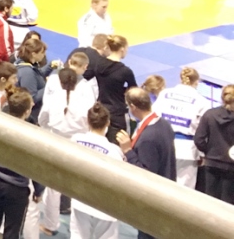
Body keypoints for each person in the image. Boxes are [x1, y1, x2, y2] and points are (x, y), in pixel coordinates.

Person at [38, 67, 95, 235]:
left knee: (53, 188)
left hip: (56, 142)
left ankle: (50, 224)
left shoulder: (53, 98)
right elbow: (90, 123)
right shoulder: (84, 100)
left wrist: (53, 128)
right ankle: (79, 231)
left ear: (60, 82)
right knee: (77, 187)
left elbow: (42, 120)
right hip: (78, 144)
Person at [0, 87, 43, 239]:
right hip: (16, 187)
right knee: (12, 229)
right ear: (27, 112)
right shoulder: (32, 135)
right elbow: (36, 165)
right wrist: (38, 189)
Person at [118, 88, 177, 239]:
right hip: (165, 192)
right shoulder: (163, 124)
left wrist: (128, 151)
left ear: (133, 107)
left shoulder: (148, 138)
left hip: (152, 201)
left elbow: (145, 174)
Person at [70, 104, 124, 239]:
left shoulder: (75, 140)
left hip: (80, 199)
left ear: (87, 121)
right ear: (108, 123)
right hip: (105, 205)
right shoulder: (114, 151)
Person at [153, 67, 209, 189]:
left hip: (163, 144)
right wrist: (201, 153)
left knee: (160, 185)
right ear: (197, 82)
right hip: (187, 150)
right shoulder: (202, 101)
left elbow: (153, 116)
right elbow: (202, 130)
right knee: (183, 190)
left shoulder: (164, 94)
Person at [91, 36, 138, 142]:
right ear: (122, 49)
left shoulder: (98, 65)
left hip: (101, 108)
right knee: (120, 142)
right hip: (118, 112)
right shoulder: (125, 71)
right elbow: (133, 91)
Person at [194, 84, 234, 205]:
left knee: (209, 201)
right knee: (228, 203)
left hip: (211, 163)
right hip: (232, 166)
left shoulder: (210, 114)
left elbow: (199, 139)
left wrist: (209, 152)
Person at [15, 37, 50, 122]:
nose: (44, 55)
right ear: (34, 54)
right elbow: (32, 97)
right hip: (31, 116)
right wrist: (49, 86)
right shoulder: (27, 72)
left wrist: (50, 67)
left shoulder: (23, 63)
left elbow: (37, 75)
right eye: (42, 52)